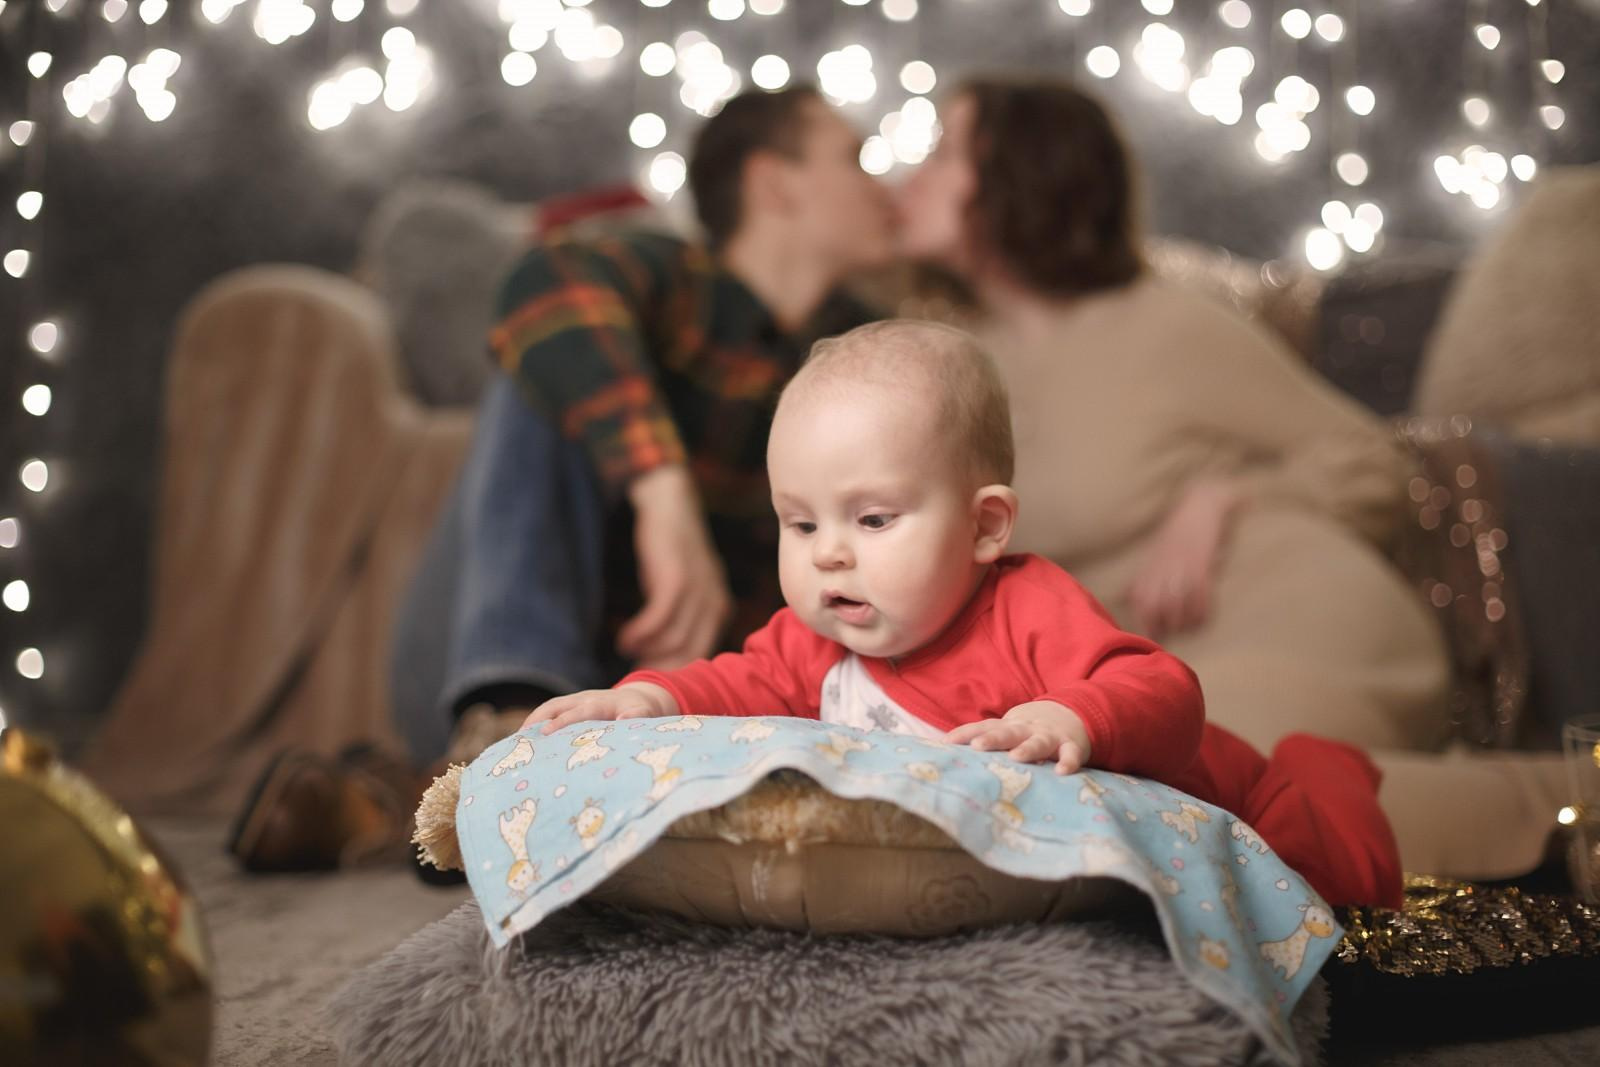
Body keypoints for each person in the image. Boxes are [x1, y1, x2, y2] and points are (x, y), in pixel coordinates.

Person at [892, 77, 1566, 880]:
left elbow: (1373, 460)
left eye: (941, 152)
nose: (909, 177)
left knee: (1183, 802)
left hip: (1304, 621)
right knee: (1092, 796)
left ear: (1016, 178)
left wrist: (1225, 500)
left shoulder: (1165, 324)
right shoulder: (953, 357)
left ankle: (1565, 798)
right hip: (1144, 669)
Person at [228, 86, 897, 873]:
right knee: (554, 350)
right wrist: (663, 491)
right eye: (855, 159)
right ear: (774, 183)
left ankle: (403, 798)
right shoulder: (670, 272)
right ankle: (508, 735)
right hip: (476, 658)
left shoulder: (860, 347)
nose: (881, 186)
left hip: (659, 692)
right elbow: (544, 282)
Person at [521, 319, 1403, 908]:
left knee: (1345, 884)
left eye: (872, 519)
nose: (829, 553)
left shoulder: (1026, 606)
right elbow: (735, 684)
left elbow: (1162, 687)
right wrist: (645, 699)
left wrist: (1070, 716)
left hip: (1242, 801)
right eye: (801, 522)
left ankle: (1326, 767)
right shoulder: (815, 637)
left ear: (984, 527)